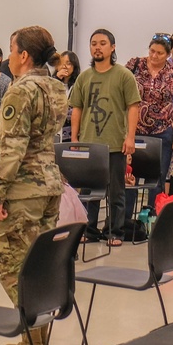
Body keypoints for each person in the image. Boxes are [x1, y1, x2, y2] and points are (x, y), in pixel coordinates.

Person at [0, 26, 67, 345]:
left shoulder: (22, 91)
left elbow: (11, 147)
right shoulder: (56, 87)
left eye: (11, 49)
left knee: (12, 267)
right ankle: (36, 340)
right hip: (50, 183)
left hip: (22, 188)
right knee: (38, 265)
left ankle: (33, 341)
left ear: (23, 55)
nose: (9, 56)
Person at [69, 28, 140, 247]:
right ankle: (89, 230)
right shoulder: (84, 77)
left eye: (102, 43)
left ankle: (115, 232)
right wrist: (74, 139)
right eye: (93, 43)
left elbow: (133, 107)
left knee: (116, 192)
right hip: (89, 145)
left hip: (115, 144)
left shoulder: (123, 75)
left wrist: (130, 137)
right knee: (90, 192)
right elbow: (77, 109)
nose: (97, 47)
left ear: (112, 47)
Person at [124, 34, 173, 211]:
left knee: (158, 176)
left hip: (162, 131)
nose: (154, 56)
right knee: (130, 174)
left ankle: (151, 217)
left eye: (160, 53)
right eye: (152, 51)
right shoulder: (135, 65)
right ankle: (127, 219)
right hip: (134, 130)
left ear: (168, 54)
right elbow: (119, 87)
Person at [55, 50, 81, 141]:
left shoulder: (78, 85)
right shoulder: (52, 82)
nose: (64, 66)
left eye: (68, 63)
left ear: (74, 66)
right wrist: (57, 78)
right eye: (61, 63)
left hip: (72, 133)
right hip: (54, 132)